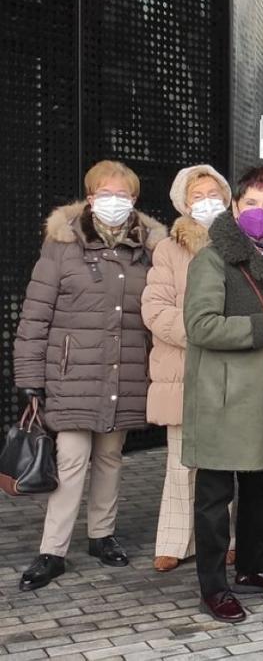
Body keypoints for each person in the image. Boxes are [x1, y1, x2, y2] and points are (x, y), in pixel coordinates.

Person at [14, 160, 167, 592]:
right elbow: (35, 315)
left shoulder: (149, 249)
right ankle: (52, 551)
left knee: (110, 457)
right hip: (71, 375)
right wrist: (29, 376)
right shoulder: (62, 245)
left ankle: (102, 535)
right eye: (105, 193)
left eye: (123, 194)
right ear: (90, 196)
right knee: (71, 460)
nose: (114, 201)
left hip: (125, 373)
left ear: (134, 199)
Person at [182, 166, 263, 623]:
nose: (259, 211)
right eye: (250, 203)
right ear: (235, 207)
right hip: (222, 396)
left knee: (257, 491)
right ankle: (214, 587)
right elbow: (201, 326)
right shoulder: (213, 259)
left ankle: (255, 567)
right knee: (214, 498)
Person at [142, 164, 233, 573]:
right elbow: (155, 309)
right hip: (183, 367)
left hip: (229, 368)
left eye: (214, 195)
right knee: (182, 462)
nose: (207, 202)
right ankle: (175, 542)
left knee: (226, 459)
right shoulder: (168, 249)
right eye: (198, 196)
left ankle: (225, 538)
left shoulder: (238, 242)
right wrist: (201, 332)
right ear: (183, 203)